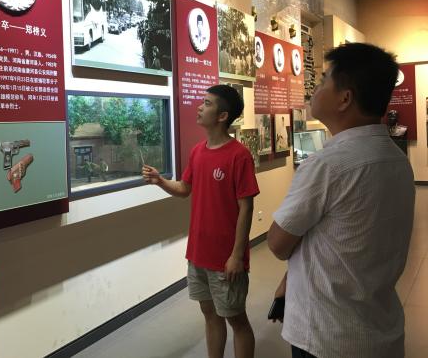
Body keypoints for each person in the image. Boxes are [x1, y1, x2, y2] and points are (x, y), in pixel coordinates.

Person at [267, 43, 415, 358]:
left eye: (323, 80)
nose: (315, 89)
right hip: (379, 330)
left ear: (344, 98)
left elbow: (278, 244)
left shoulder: (327, 165)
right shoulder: (396, 159)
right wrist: (291, 277)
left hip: (326, 335)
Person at [143, 85, 259, 358]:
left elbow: (246, 207)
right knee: (210, 315)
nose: (199, 107)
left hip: (225, 258)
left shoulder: (239, 155)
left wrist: (237, 256)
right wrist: (160, 181)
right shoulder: (197, 151)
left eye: (207, 103)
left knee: (237, 320)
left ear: (222, 116)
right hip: (198, 254)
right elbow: (185, 188)